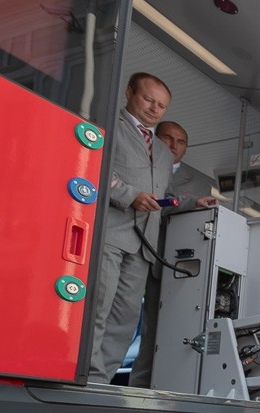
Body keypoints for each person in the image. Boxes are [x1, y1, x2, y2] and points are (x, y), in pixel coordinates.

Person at [89, 73, 175, 384]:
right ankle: (83, 375)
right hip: (112, 233)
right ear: (128, 93)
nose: (154, 109)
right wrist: (130, 196)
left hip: (143, 246)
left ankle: (100, 380)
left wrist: (195, 202)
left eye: (161, 106)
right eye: (148, 99)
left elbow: (165, 193)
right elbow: (93, 165)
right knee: (98, 307)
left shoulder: (164, 152)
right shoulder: (108, 124)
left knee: (125, 320)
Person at [128, 121, 220, 388]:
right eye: (168, 138)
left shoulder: (202, 182)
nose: (173, 146)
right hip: (134, 250)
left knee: (158, 330)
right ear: (155, 139)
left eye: (180, 142)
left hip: (170, 263)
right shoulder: (140, 165)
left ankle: (143, 387)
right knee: (122, 319)